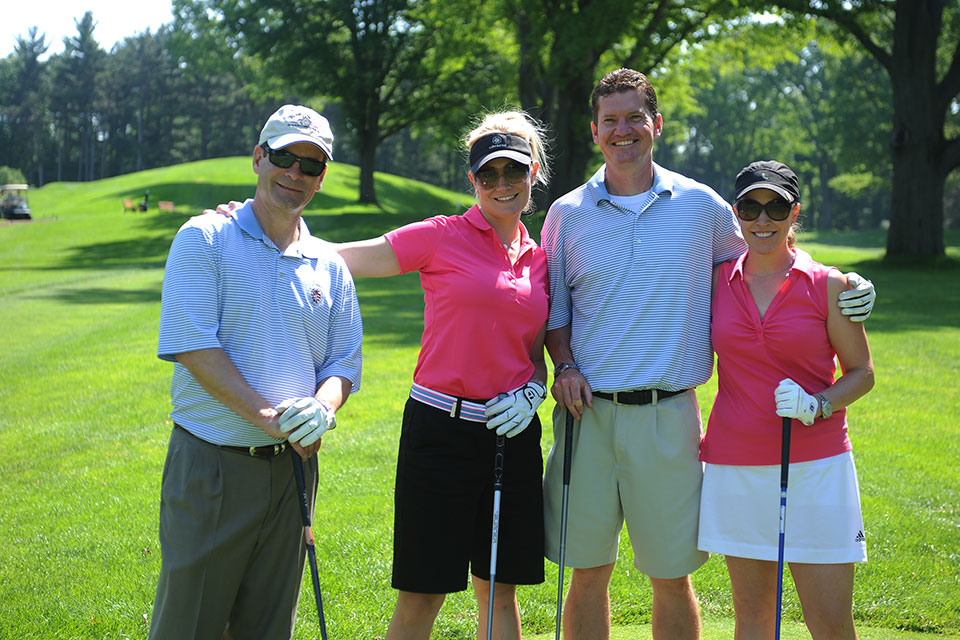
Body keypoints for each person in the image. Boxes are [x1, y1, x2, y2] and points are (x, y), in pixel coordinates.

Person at [541, 68, 876, 640]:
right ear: (595, 130)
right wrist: (565, 365)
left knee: (671, 575)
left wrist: (840, 280)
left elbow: (768, 249)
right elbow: (555, 314)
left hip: (669, 414)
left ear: (657, 125)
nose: (623, 131)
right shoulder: (565, 214)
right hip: (586, 414)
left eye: (634, 118)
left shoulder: (703, 207)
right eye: (610, 121)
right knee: (587, 572)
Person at [336, 111, 552, 640]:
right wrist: (259, 224)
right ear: (472, 180)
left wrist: (532, 392)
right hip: (440, 432)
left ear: (534, 173)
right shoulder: (440, 236)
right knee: (423, 591)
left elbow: (539, 358)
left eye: (514, 172)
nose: (502, 185)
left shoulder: (541, 259)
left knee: (500, 590)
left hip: (513, 433)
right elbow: (343, 259)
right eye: (489, 175)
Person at [150, 104, 363, 640]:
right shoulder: (204, 239)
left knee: (269, 626)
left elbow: (343, 363)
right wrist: (270, 417)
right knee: (189, 624)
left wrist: (323, 407)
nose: (294, 174)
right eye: (283, 157)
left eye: (310, 165)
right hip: (213, 466)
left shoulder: (328, 263)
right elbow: (195, 347)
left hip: (293, 471)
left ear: (322, 178)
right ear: (257, 157)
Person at [698, 160, 874, 639]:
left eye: (776, 206)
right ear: (736, 213)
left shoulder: (828, 285)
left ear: (794, 212)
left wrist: (819, 403)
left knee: (830, 620)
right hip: (735, 465)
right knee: (754, 617)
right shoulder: (717, 281)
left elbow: (862, 373)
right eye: (751, 207)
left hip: (818, 467)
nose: (763, 219)